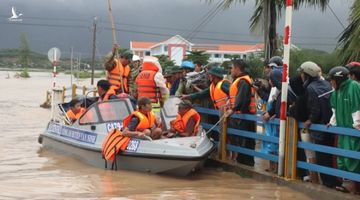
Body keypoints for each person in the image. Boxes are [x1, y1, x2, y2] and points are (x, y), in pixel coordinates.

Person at [298, 61, 342, 187]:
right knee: (330, 156)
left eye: (302, 73)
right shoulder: (326, 84)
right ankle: (334, 182)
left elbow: (315, 108)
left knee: (322, 157)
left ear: (307, 74)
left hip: (319, 127)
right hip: (330, 125)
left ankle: (328, 184)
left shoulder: (311, 88)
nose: (301, 75)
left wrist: (310, 120)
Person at [328, 66, 360, 194]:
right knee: (343, 157)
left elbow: (357, 107)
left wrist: (357, 124)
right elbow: (334, 109)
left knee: (353, 157)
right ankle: (348, 185)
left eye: (332, 80)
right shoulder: (336, 91)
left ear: (338, 79)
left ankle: (354, 187)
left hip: (352, 130)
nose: (331, 83)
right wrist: (332, 122)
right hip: (342, 130)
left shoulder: (354, 87)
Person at [224, 59, 256, 165]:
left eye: (232, 68)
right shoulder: (238, 80)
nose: (231, 71)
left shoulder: (243, 81)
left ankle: (247, 165)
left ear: (237, 69)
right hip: (240, 116)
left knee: (245, 142)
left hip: (245, 116)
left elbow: (242, 99)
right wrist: (229, 99)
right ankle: (241, 163)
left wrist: (232, 110)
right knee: (240, 141)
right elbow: (236, 96)